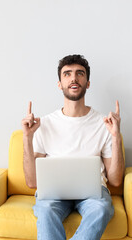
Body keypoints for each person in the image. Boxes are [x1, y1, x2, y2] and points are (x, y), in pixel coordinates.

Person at [21, 54, 125, 240]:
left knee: (101, 209)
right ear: (60, 83)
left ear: (88, 82)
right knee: (45, 211)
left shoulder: (104, 124)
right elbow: (31, 182)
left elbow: (116, 180)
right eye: (67, 74)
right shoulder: (44, 123)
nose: (74, 78)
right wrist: (27, 138)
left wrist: (116, 137)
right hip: (54, 193)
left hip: (93, 193)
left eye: (80, 73)